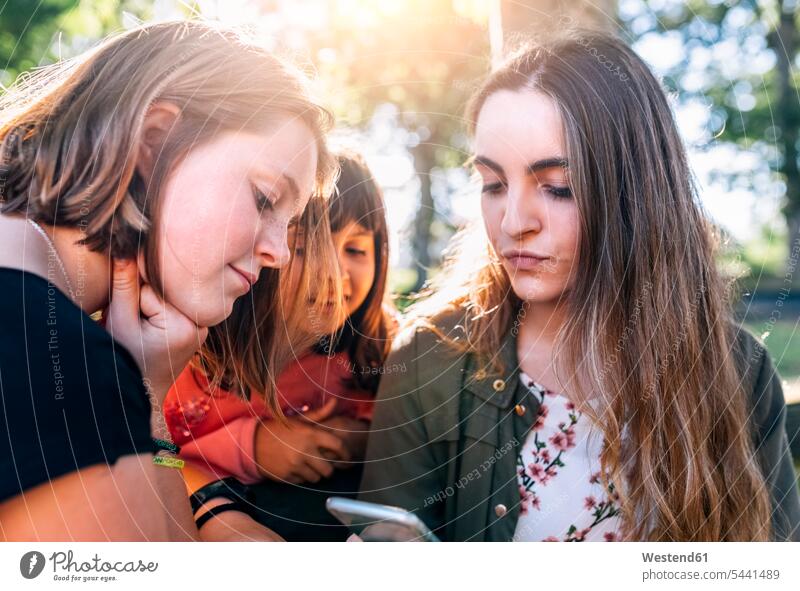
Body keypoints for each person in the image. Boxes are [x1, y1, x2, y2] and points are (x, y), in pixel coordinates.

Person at [359, 31, 800, 542]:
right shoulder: (430, 360)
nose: (514, 221)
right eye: (494, 185)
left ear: (638, 192)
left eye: (557, 187)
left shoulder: (737, 374)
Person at [0, 20, 336, 541]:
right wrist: (139, 400)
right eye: (265, 198)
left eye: (289, 225)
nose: (280, 253)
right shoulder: (50, 347)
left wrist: (145, 389)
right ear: (154, 142)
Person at [164, 153, 396, 540]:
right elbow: (148, 458)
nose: (335, 274)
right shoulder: (188, 355)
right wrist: (251, 447)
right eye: (305, 247)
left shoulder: (369, 355)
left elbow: (403, 429)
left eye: (355, 250)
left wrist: (351, 437)